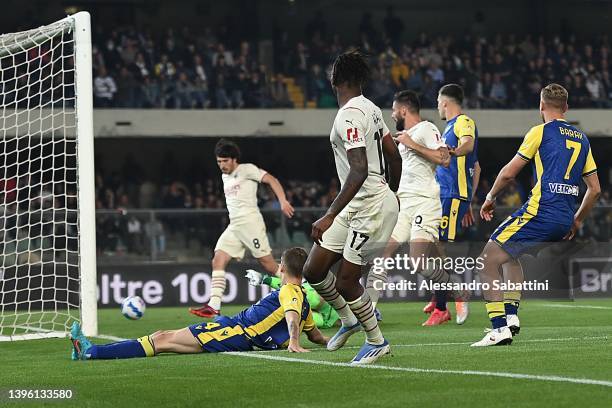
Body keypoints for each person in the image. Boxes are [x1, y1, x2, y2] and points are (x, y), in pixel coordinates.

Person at [472, 83, 600, 346]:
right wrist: (576, 220)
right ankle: (511, 317)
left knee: (486, 260)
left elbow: (509, 172)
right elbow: (595, 190)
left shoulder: (540, 132)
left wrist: (489, 197)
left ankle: (498, 329)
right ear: (566, 108)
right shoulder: (582, 139)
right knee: (510, 255)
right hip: (564, 218)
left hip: (541, 210)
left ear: (541, 106)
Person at [302, 49, 402, 365]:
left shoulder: (348, 115)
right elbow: (393, 156)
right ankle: (348, 319)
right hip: (361, 203)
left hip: (369, 205)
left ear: (336, 79)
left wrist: (330, 213)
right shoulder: (372, 109)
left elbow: (359, 168)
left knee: (347, 280)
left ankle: (376, 341)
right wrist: (394, 191)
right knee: (314, 269)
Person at [70, 247, 328, 359]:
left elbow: (292, 316)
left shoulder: (290, 292)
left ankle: (91, 352)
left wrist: (293, 343)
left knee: (162, 339)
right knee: (164, 340)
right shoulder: (302, 297)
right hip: (234, 331)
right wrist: (336, 340)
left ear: (281, 267)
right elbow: (315, 336)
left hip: (236, 333)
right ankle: (91, 351)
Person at [365, 90, 467, 322]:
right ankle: (367, 311)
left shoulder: (426, 129)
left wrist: (413, 145)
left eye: (393, 110)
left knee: (418, 262)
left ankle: (457, 290)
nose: (391, 115)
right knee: (382, 254)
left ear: (403, 110)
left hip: (425, 204)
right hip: (405, 206)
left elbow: (445, 159)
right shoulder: (405, 135)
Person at [189, 140, 294, 318]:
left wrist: (283, 200)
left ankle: (299, 290)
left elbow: (271, 179)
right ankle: (214, 305)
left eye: (225, 161)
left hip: (250, 223)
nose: (222, 165)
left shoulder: (247, 169)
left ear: (234, 159)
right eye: (219, 162)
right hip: (235, 225)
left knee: (268, 264)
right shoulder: (225, 176)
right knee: (218, 259)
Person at [423, 83, 480, 326]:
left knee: (438, 248)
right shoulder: (447, 128)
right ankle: (439, 300)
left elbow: (467, 143)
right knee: (433, 247)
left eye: (438, 102)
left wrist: (454, 152)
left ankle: (448, 302)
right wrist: (468, 202)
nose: (437, 106)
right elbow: (477, 168)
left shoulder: (462, 121)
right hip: (449, 195)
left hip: (451, 194)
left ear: (445, 102)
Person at [245, 269, 340, 329]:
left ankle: (264, 279)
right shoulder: (307, 287)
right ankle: (264, 279)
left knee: (304, 318)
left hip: (325, 318)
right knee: (311, 300)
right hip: (313, 298)